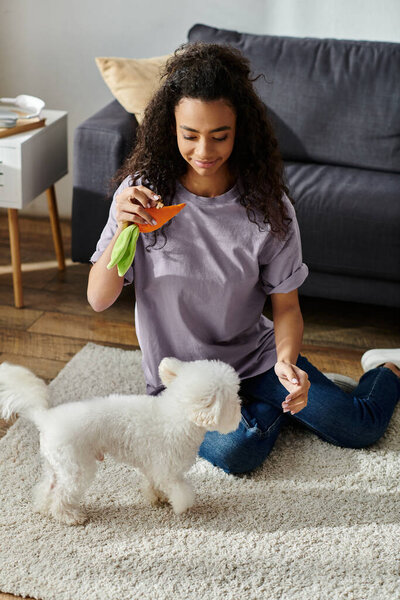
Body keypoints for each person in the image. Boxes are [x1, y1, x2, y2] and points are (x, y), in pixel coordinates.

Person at [87, 42, 400, 475]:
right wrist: (123, 228)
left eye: (220, 136)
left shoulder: (268, 208)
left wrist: (287, 364)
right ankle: (281, 407)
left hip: (257, 361)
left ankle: (386, 367)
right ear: (169, 128)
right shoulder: (141, 198)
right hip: (180, 381)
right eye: (189, 135)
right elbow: (99, 300)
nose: (204, 151)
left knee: (361, 428)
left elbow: (286, 307)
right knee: (240, 451)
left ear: (241, 130)